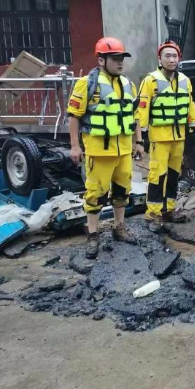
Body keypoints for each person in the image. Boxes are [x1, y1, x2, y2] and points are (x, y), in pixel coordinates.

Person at [67, 37, 138, 258]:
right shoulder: (86, 84)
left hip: (124, 150)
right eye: (115, 58)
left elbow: (134, 117)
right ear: (101, 60)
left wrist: (139, 143)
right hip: (99, 151)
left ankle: (119, 227)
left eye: (121, 58)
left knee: (122, 191)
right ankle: (93, 235)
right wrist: (75, 146)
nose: (120, 63)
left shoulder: (128, 84)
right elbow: (74, 116)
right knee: (95, 194)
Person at [134, 40, 195, 232]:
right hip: (159, 138)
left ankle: (169, 210)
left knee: (173, 175)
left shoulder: (185, 81)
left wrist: (193, 125)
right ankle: (153, 214)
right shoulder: (150, 81)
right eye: (167, 56)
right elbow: (142, 108)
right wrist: (141, 135)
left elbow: (190, 104)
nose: (171, 59)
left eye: (174, 56)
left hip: (178, 137)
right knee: (157, 175)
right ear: (159, 59)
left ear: (179, 58)